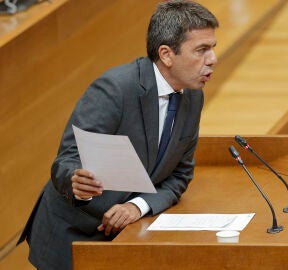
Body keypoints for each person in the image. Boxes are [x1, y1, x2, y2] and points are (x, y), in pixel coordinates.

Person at [17, 1, 218, 269]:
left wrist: (138, 206)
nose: (213, 59)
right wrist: (79, 185)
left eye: (212, 48)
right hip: (75, 235)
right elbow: (67, 161)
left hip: (130, 235)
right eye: (202, 50)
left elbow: (179, 175)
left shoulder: (192, 95)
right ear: (167, 54)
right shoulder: (115, 89)